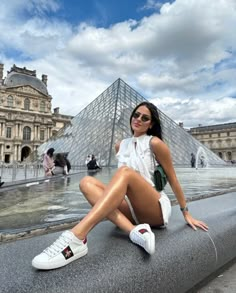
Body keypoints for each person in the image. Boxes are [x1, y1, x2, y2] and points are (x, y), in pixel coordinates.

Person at [32, 102, 208, 270]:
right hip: (130, 209)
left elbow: (173, 179)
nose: (138, 119)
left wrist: (186, 213)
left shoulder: (155, 143)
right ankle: (135, 232)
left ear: (151, 124)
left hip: (153, 208)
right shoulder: (120, 145)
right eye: (136, 115)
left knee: (125, 172)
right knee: (86, 183)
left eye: (145, 118)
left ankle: (77, 237)